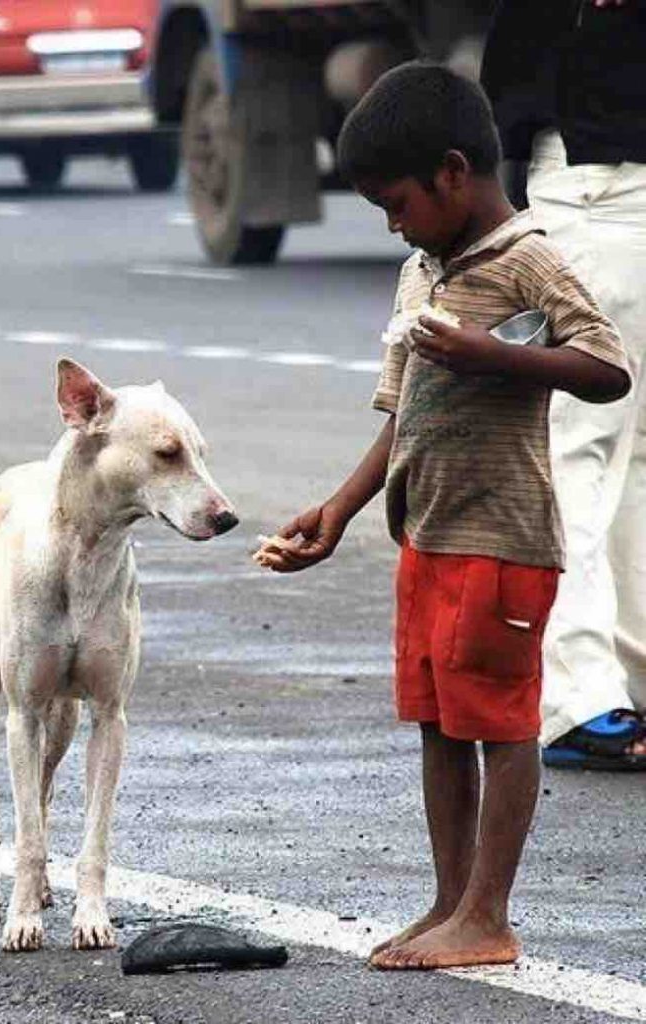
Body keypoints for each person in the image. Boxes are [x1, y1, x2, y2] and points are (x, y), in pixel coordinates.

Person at [253, 62, 630, 970]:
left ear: (452, 173)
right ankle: (448, 900)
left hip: (502, 541)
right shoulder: (420, 270)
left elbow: (606, 366)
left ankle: (488, 917)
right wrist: (339, 510)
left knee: (500, 726)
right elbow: (402, 410)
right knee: (438, 723)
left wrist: (493, 358)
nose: (392, 224)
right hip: (425, 535)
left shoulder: (528, 256)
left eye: (397, 203)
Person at [481, 0, 646, 769]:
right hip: (601, 178)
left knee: (621, 450)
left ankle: (614, 683)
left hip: (609, 177)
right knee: (589, 444)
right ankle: (580, 697)